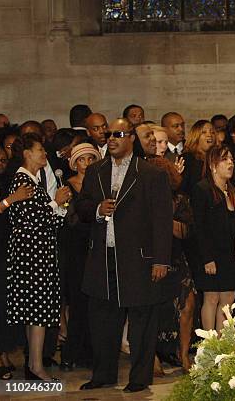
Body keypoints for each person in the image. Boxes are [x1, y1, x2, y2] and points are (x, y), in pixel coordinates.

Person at [77, 118, 173, 393]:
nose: (112, 138)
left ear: (131, 137)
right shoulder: (96, 170)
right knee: (102, 320)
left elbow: (162, 220)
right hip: (102, 256)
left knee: (142, 320)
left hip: (139, 258)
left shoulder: (151, 173)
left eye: (118, 134)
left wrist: (160, 260)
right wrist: (97, 209)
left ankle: (139, 378)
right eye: (109, 134)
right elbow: (81, 207)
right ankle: (104, 374)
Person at [6, 133, 71, 381]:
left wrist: (60, 206)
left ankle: (34, 363)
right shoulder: (22, 181)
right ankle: (35, 365)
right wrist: (55, 203)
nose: (44, 154)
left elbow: (49, 220)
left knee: (38, 312)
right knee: (37, 311)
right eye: (40, 150)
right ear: (27, 153)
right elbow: (29, 220)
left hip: (40, 252)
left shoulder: (34, 181)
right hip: (31, 255)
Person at [146, 157, 196, 374]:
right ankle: (153, 357)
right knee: (152, 311)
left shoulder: (179, 200)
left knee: (188, 307)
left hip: (177, 259)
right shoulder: (143, 200)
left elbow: (185, 232)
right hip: (152, 260)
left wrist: (163, 219)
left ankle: (184, 354)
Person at [191, 145, 235, 332]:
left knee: (228, 298)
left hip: (228, 253)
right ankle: (209, 343)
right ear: (213, 165)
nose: (230, 163)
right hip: (210, 254)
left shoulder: (231, 190)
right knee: (212, 298)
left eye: (231, 159)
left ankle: (222, 344)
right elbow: (200, 227)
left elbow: (225, 221)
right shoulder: (203, 189)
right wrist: (207, 258)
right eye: (225, 159)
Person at [59, 143, 101, 371]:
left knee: (95, 305)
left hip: (96, 249)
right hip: (76, 251)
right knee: (77, 303)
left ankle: (91, 353)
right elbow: (71, 221)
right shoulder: (68, 186)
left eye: (90, 159)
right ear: (74, 163)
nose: (86, 164)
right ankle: (70, 352)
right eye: (82, 160)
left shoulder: (99, 184)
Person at [0, 147, 34, 380]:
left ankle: (3, 352)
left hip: (4, 249)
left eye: (3, 159)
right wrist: (11, 200)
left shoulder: (6, 179)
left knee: (3, 303)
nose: (1, 163)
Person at [180, 120, 215, 195]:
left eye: (212, 132)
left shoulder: (217, 158)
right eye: (204, 132)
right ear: (195, 136)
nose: (209, 135)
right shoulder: (187, 158)